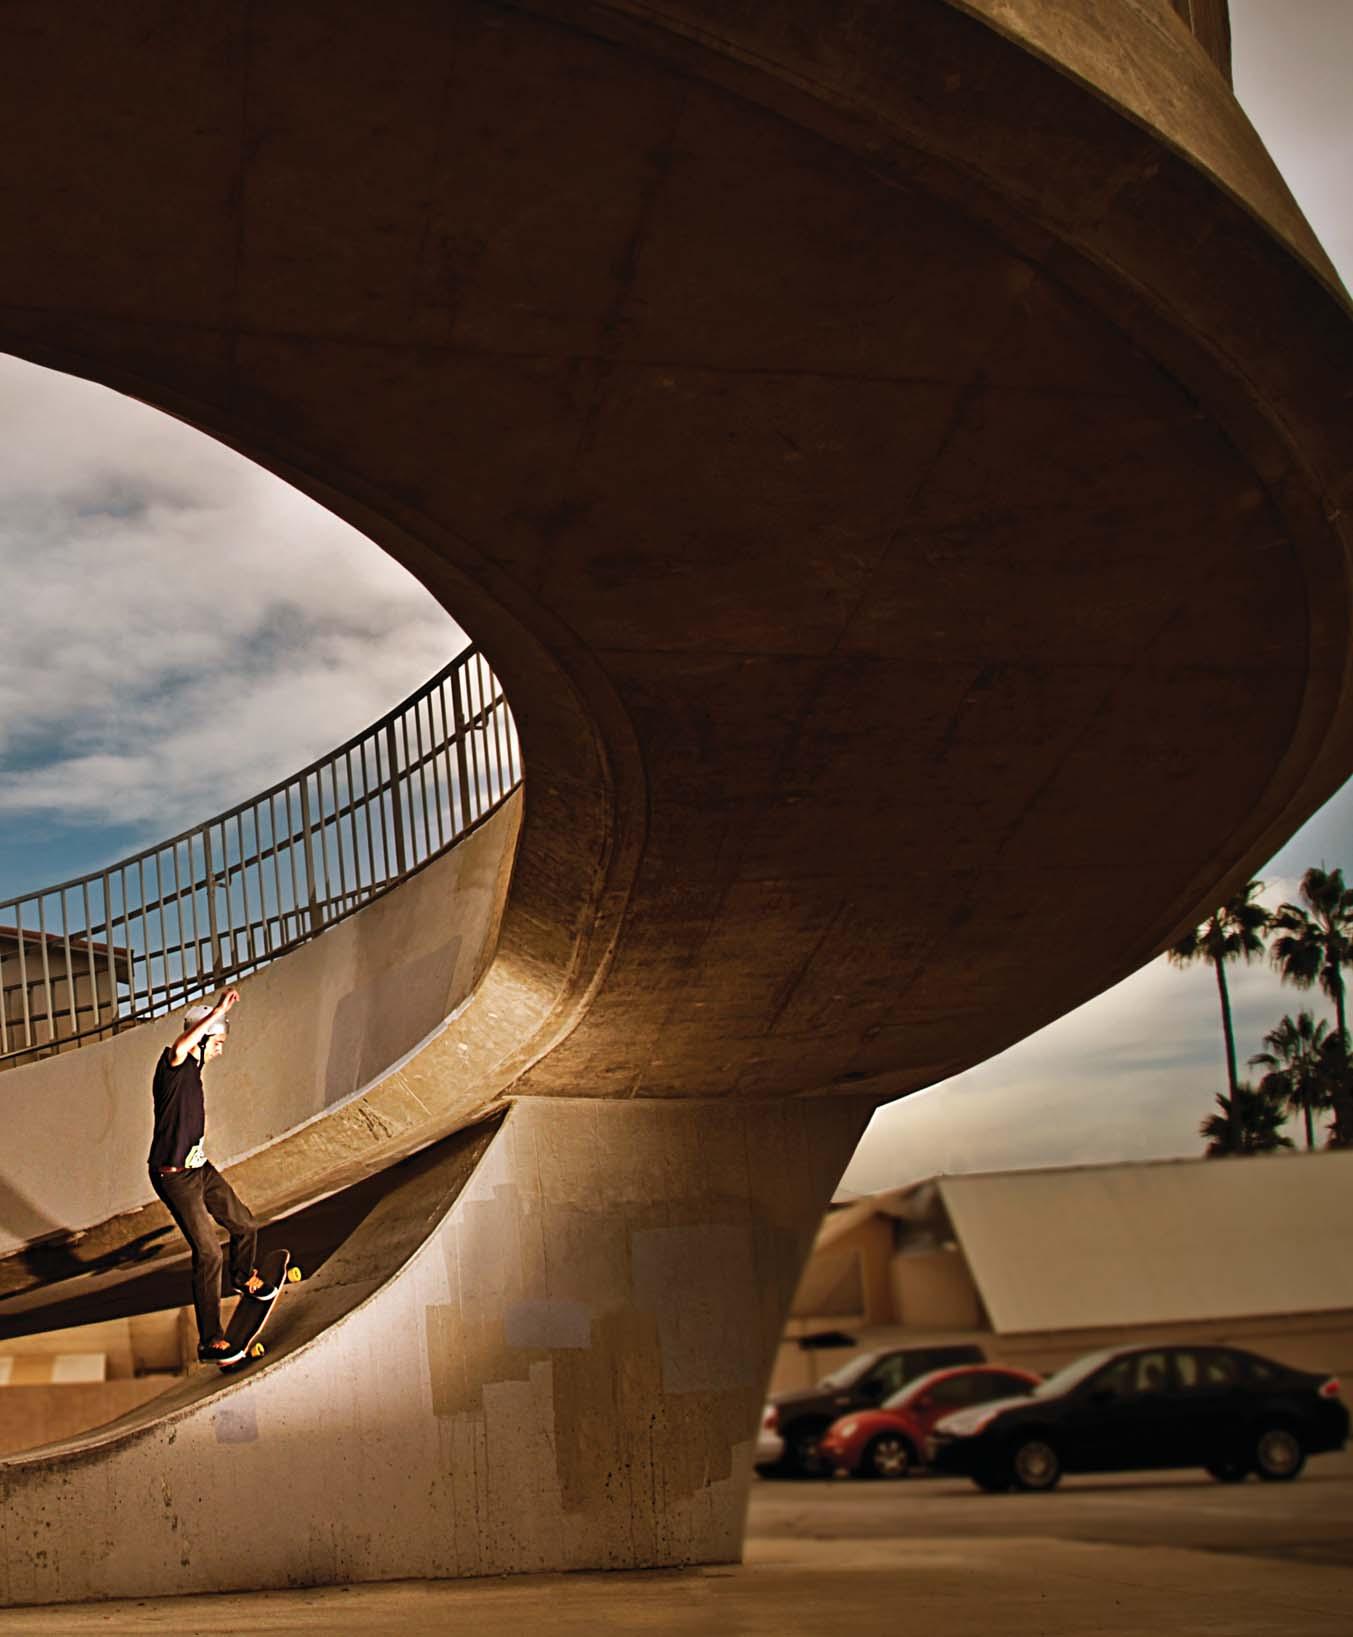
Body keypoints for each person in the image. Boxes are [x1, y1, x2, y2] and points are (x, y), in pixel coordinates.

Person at [148, 988, 271, 1362]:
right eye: (217, 1043)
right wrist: (216, 1012)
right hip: (174, 1177)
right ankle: (209, 1341)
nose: (220, 1050)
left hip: (200, 1168)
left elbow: (196, 1048)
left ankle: (243, 1277)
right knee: (208, 1253)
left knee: (245, 1224)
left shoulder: (195, 1068)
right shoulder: (172, 1067)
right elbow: (181, 1045)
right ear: (201, 1039)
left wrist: (217, 1022)